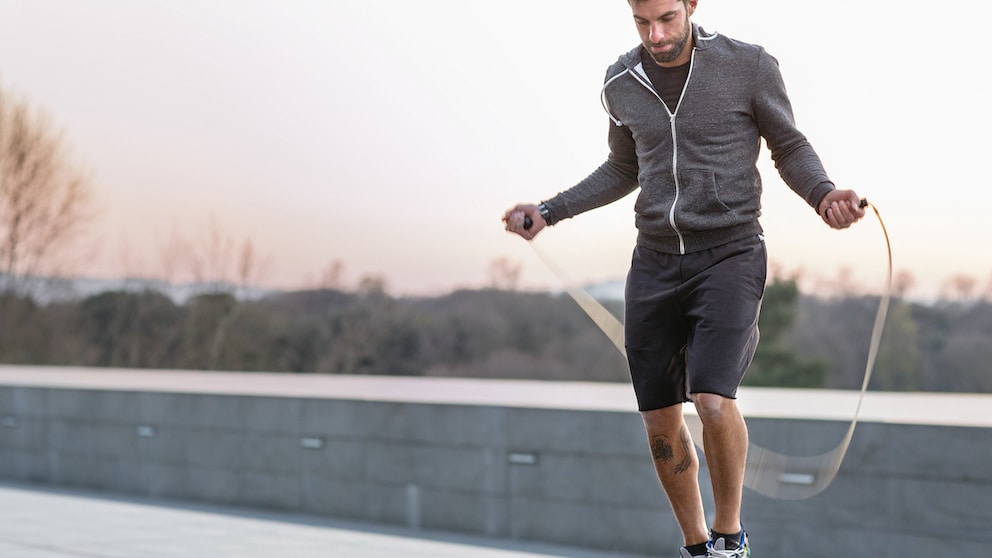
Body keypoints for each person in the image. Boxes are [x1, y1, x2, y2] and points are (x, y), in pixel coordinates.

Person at [502, 1, 865, 557]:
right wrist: (550, 211)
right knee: (659, 418)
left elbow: (788, 145)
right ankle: (696, 546)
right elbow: (624, 167)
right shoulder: (621, 80)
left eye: (668, 17)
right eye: (643, 21)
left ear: (692, 4)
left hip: (730, 252)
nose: (656, 34)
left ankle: (729, 537)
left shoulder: (748, 65)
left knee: (712, 400)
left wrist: (823, 195)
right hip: (653, 262)